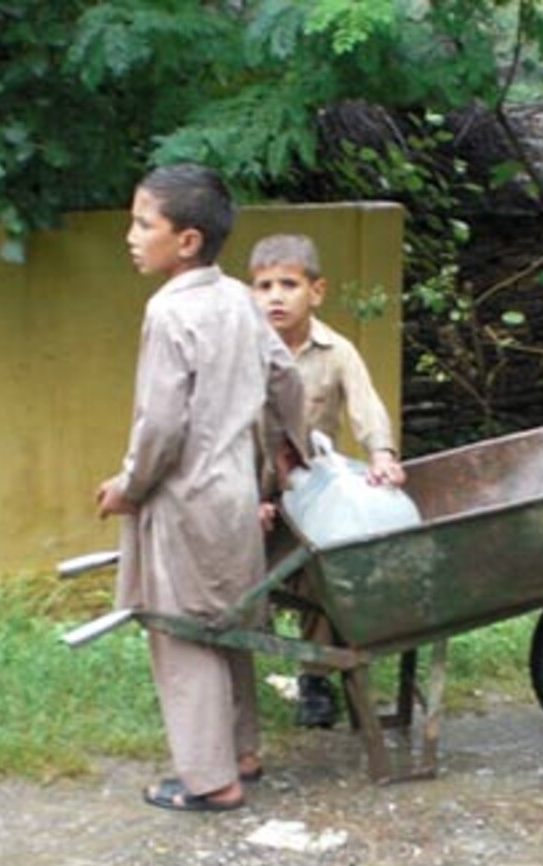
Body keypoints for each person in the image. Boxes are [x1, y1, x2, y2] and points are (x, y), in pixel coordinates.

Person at [96, 164, 307, 814]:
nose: (131, 235)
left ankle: (212, 780)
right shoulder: (241, 300)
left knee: (184, 633)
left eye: (142, 223)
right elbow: (287, 379)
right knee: (230, 624)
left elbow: (161, 424)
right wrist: (287, 454)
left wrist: (128, 485)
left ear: (186, 241)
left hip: (186, 502)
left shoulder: (169, 312)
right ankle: (242, 750)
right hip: (237, 498)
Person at [248, 233, 404, 728]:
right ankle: (231, 680)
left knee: (323, 575)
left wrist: (381, 453)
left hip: (311, 490)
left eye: (288, 284)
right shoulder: (243, 352)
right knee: (240, 583)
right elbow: (226, 429)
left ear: (315, 291)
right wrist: (247, 497)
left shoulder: (337, 351)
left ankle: (315, 677)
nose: (275, 296)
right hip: (248, 486)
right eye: (264, 285)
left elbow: (366, 406)